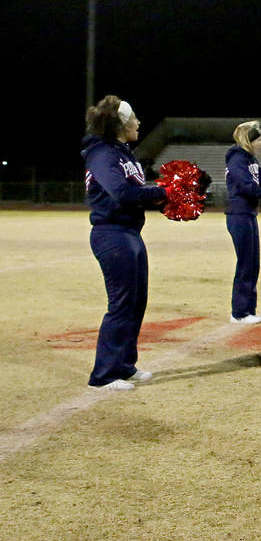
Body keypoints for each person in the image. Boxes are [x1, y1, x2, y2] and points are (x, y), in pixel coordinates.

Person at [81, 95, 169, 390]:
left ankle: (124, 364)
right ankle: (104, 374)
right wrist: (163, 191)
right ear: (121, 123)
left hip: (130, 233)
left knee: (136, 302)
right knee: (120, 304)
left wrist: (166, 199)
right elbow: (120, 192)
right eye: (134, 118)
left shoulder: (125, 153)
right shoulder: (102, 153)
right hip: (111, 233)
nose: (139, 122)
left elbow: (135, 193)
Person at [224, 121, 261, 324]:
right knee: (246, 263)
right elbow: (247, 186)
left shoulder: (250, 160)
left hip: (248, 214)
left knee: (252, 262)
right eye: (258, 140)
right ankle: (239, 313)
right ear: (249, 141)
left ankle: (248, 310)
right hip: (239, 214)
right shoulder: (237, 159)